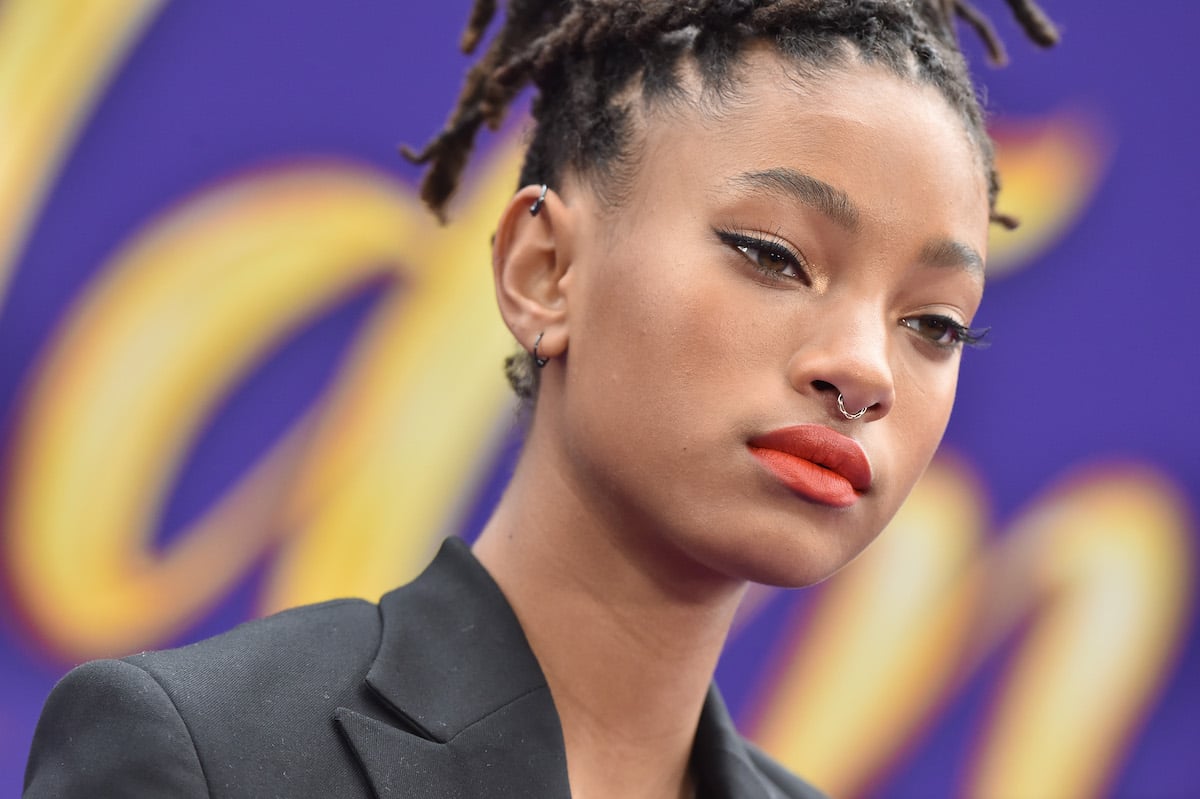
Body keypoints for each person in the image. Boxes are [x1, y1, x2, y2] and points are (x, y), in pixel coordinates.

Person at [23, 1, 1058, 797]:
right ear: (544, 269)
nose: (866, 369)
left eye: (936, 323)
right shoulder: (207, 753)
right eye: (774, 255)